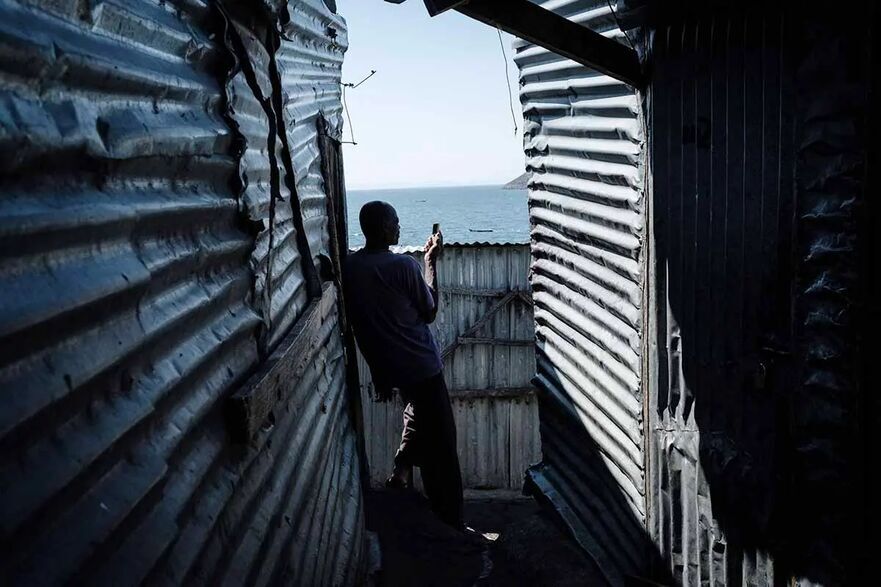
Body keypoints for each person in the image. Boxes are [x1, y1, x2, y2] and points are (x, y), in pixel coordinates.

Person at [342, 201, 464, 531]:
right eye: (394, 222)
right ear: (383, 228)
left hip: (391, 368)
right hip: (422, 366)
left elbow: (360, 324)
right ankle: (449, 521)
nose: (398, 227)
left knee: (417, 415)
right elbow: (430, 310)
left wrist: (379, 370)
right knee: (442, 448)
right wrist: (430, 261)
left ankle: (401, 470)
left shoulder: (350, 269)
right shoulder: (403, 267)